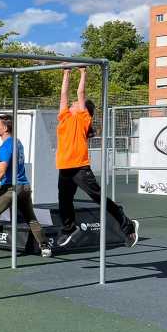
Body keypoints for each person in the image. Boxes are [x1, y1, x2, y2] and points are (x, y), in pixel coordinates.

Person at [56, 67, 139, 248]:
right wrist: (66, 73)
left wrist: (83, 73)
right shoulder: (64, 117)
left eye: (76, 103)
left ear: (83, 109)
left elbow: (80, 93)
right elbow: (63, 95)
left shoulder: (83, 118)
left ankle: (127, 225)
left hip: (79, 167)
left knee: (98, 198)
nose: (72, 103)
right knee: (64, 200)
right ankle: (69, 228)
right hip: (64, 167)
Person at [0, 115, 51, 261]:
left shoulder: (6, 146)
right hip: (24, 187)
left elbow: (1, 172)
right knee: (31, 218)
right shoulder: (16, 143)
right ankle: (45, 247)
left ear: (5, 128)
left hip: (11, 188)